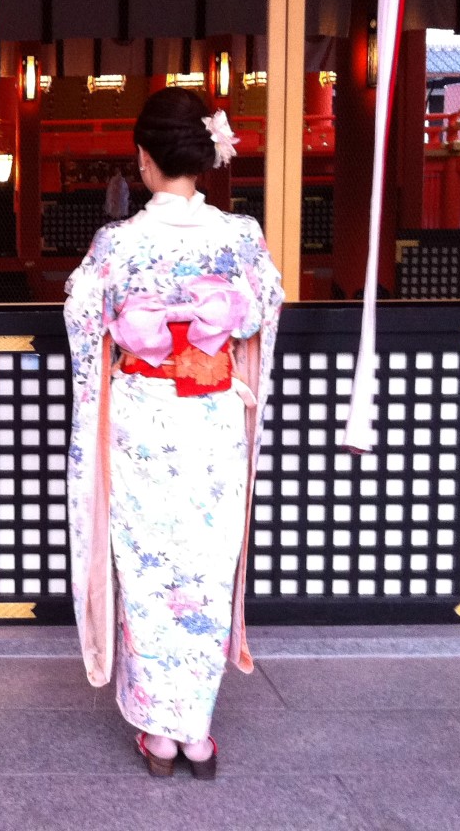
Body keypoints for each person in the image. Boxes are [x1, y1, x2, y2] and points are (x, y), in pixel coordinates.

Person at [63, 87, 283, 779]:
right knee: (207, 569)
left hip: (143, 419)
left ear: (144, 158)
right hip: (215, 416)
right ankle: (197, 732)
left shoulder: (120, 242)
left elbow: (78, 315)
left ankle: (160, 735)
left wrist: (140, 333)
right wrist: (215, 321)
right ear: (206, 156)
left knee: (152, 570)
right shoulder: (240, 236)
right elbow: (265, 308)